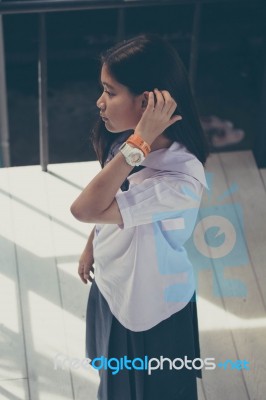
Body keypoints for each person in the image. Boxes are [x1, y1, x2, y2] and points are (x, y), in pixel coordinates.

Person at [70, 33, 209, 400]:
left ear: (146, 102)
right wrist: (92, 248)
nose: (100, 102)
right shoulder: (128, 144)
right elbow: (107, 201)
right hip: (115, 285)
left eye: (110, 92)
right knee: (111, 381)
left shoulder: (178, 180)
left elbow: (83, 209)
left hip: (149, 308)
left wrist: (141, 139)